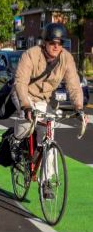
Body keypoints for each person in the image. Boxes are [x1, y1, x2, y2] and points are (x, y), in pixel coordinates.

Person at [11, 22, 85, 199]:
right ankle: (16, 141)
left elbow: (73, 84)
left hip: (44, 99)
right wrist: (26, 105)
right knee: (28, 120)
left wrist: (79, 108)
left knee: (49, 139)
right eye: (53, 43)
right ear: (44, 42)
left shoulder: (66, 58)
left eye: (61, 43)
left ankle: (46, 182)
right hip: (24, 95)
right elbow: (20, 83)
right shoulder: (31, 55)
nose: (57, 47)